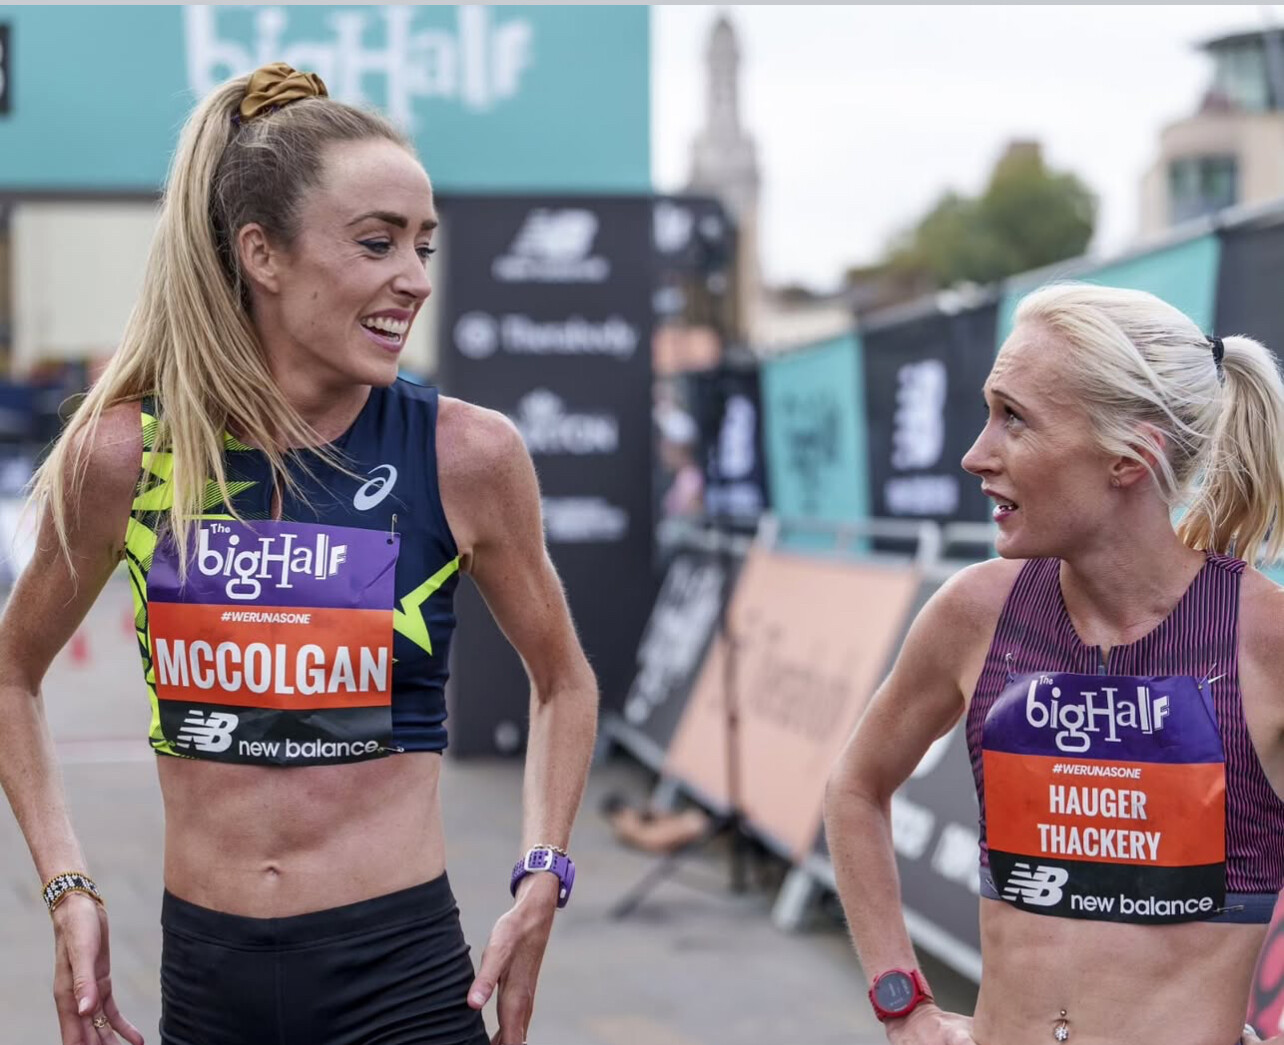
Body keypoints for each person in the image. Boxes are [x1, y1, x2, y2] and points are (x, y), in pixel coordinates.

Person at [0, 63, 598, 1045]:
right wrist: (67, 886)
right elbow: (12, 673)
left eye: (423, 244)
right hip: (205, 981)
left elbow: (564, 681)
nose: (416, 278)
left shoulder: (464, 453)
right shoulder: (130, 454)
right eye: (377, 242)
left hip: (403, 983)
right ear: (263, 254)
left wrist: (545, 869)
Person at [824, 283, 1284, 1045]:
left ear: (1129, 456)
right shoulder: (975, 611)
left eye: (1015, 417)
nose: (976, 455)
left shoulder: (1263, 638)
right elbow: (855, 786)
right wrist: (902, 1004)